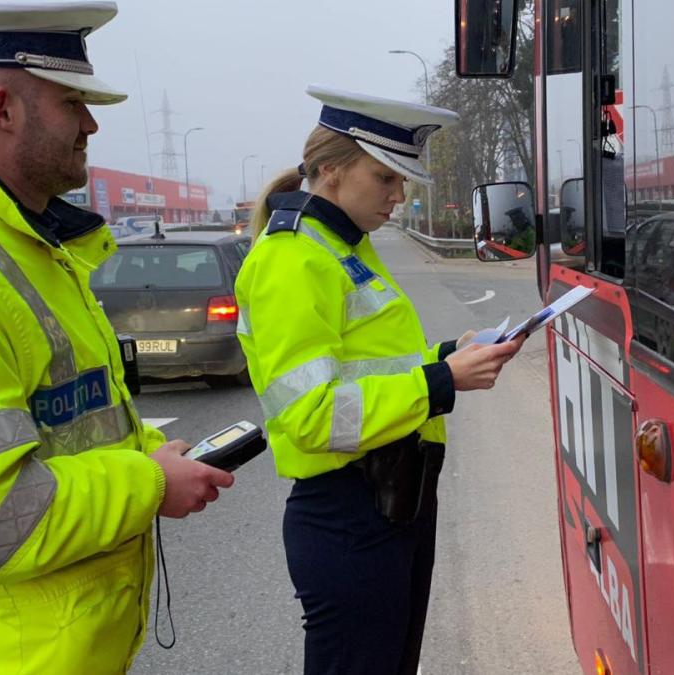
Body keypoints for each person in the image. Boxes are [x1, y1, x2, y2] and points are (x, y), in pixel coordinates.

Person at [0, 3, 234, 672]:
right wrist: (148, 483)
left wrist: (150, 451)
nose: (91, 124)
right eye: (72, 103)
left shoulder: (28, 245)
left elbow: (70, 416)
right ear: (5, 110)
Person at [234, 85, 523, 675]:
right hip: (351, 513)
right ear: (331, 171)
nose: (398, 196)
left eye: (403, 182)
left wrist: (450, 355)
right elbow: (313, 415)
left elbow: (368, 365)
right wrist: (441, 382)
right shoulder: (294, 258)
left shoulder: (346, 248)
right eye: (385, 178)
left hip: (393, 502)